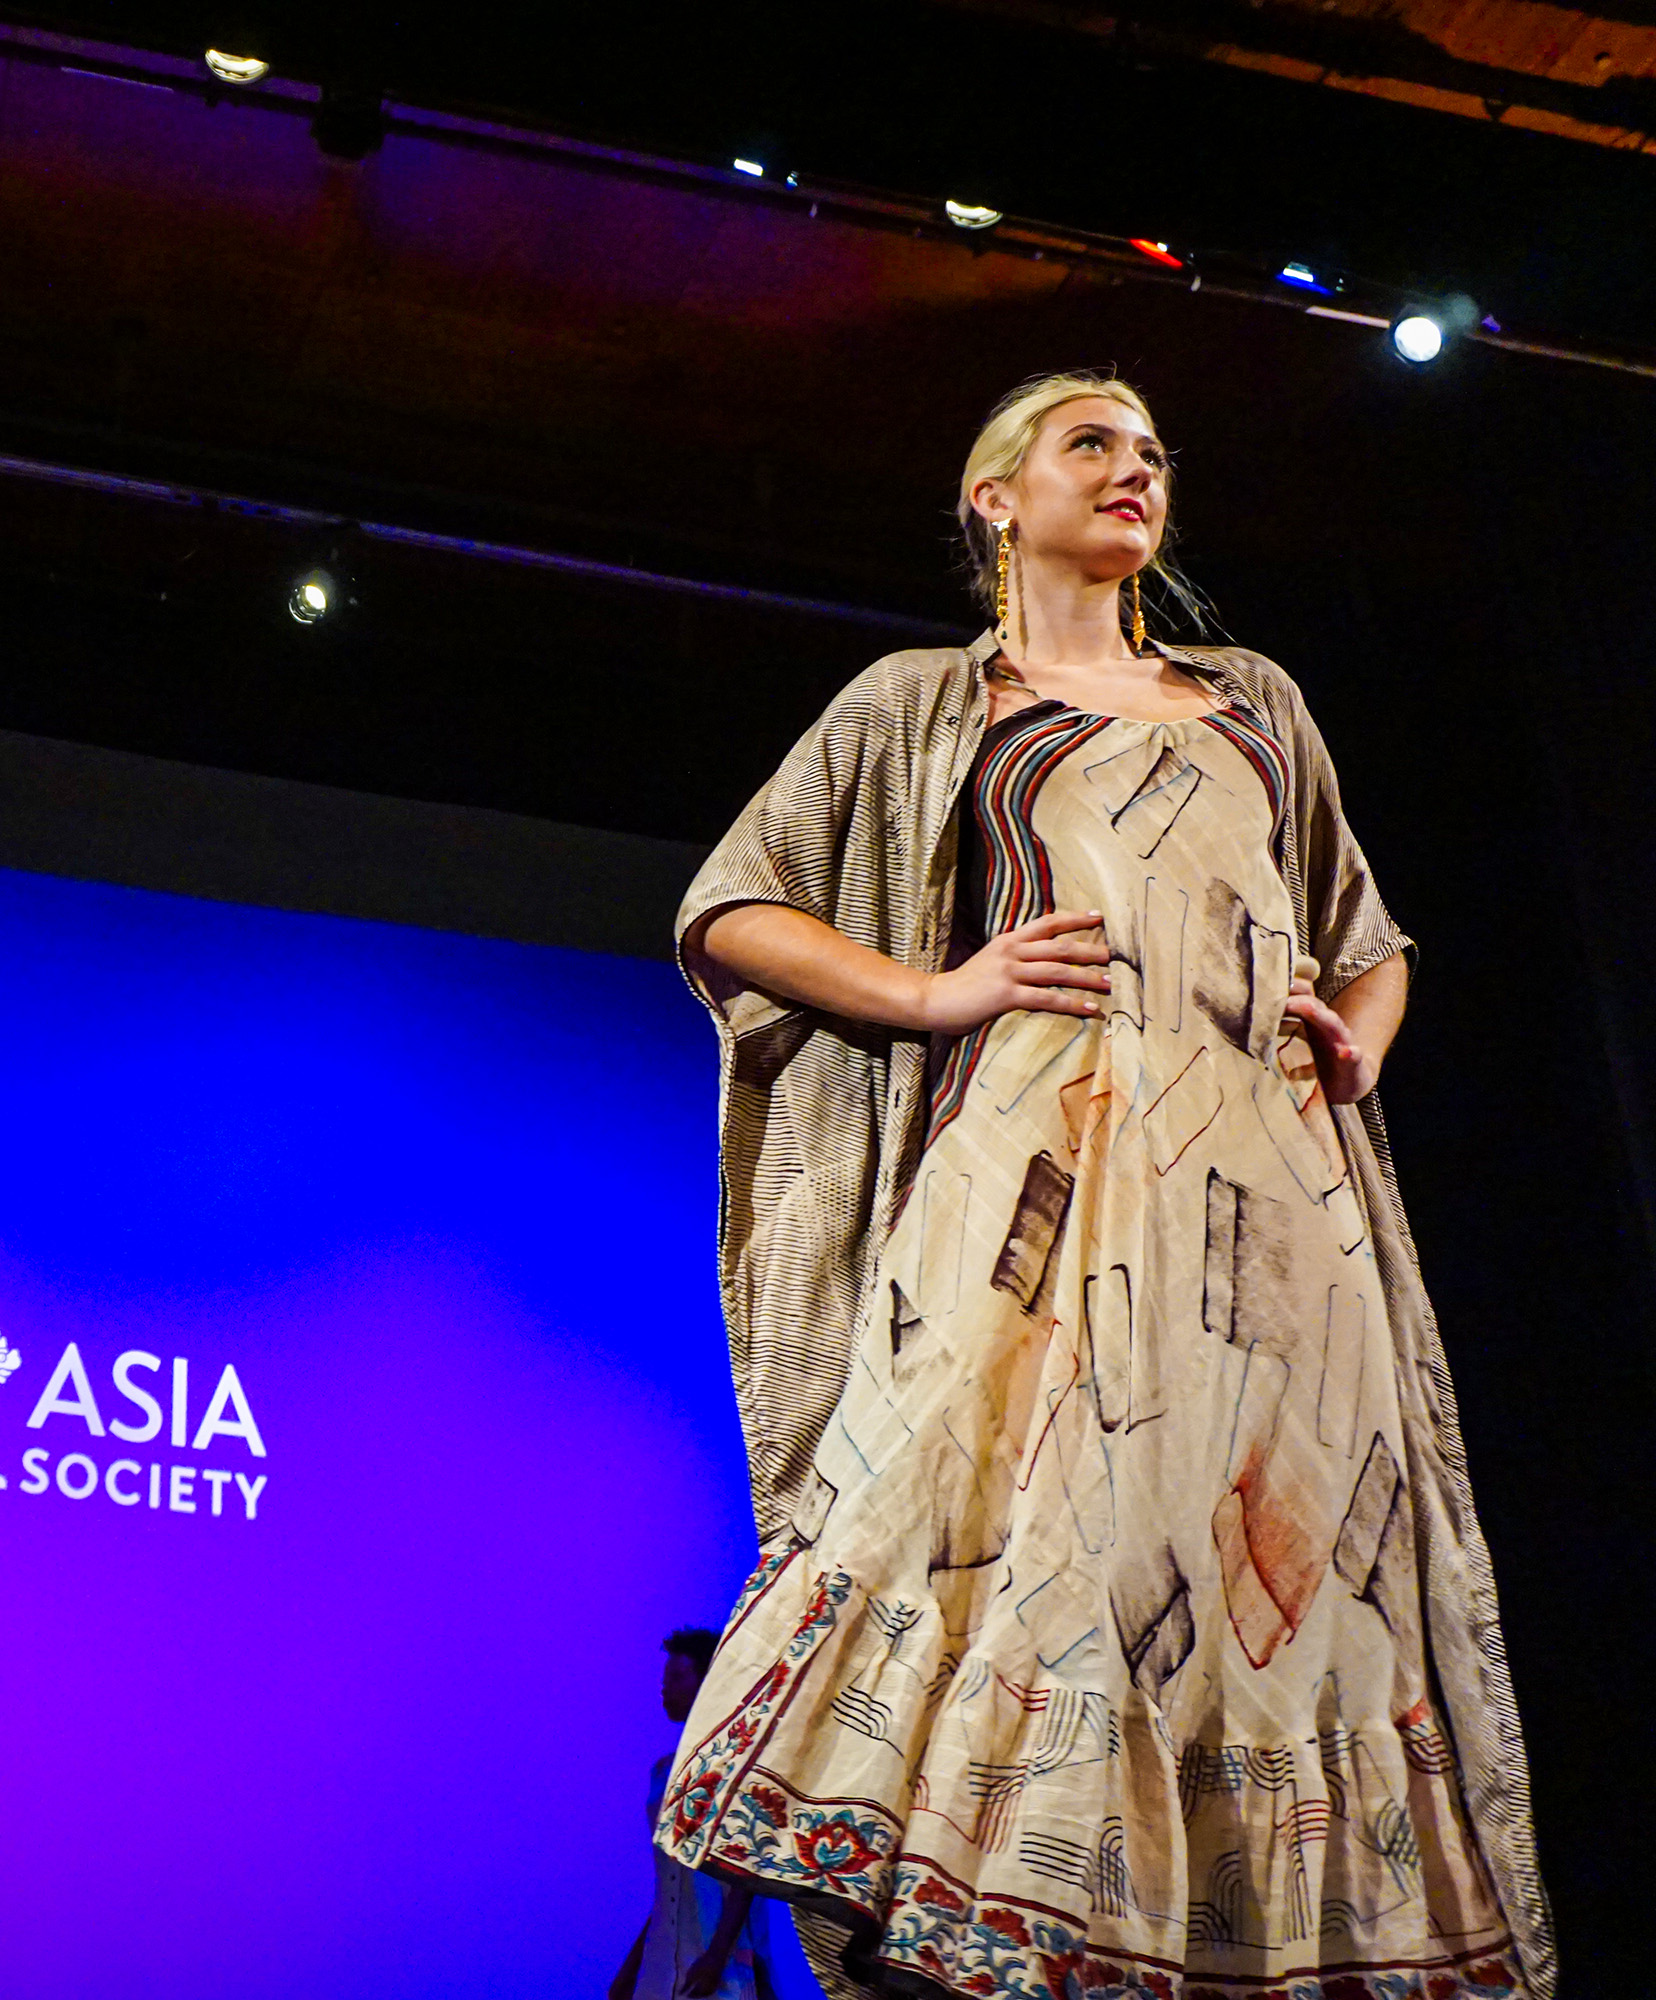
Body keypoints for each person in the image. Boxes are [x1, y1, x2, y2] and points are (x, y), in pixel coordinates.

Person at [652, 374, 1549, 1999]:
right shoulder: (923, 704)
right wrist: (936, 989)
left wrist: (1352, 1047)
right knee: (1021, 1529)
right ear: (995, 498)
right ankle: (986, 1908)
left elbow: (1374, 939)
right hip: (1039, 1182)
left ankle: (1221, 1938)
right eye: (1092, 445)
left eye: (1152, 455)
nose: (1134, 471)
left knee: (1268, 1589)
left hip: (1275, 1212)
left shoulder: (1252, 698)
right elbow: (731, 910)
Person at [615, 1628, 777, 2000]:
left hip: (718, 1960)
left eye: (676, 1677)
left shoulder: (737, 1766)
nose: (664, 1688)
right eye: (664, 1678)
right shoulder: (663, 1773)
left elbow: (746, 1873)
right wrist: (631, 1969)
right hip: (663, 1962)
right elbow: (672, 1888)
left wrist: (716, 1956)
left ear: (708, 1683)